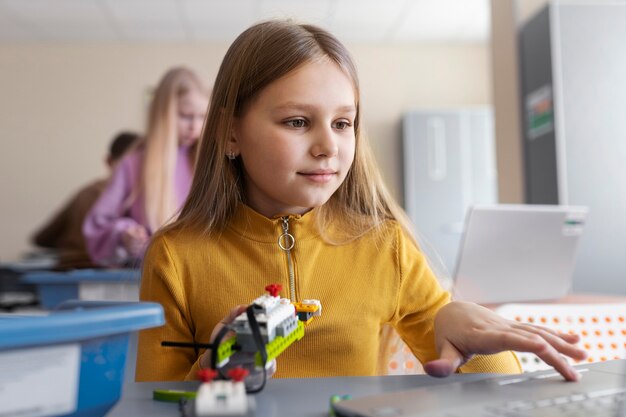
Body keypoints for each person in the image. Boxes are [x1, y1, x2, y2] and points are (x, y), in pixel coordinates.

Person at [136, 21, 587, 382]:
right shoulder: (176, 256)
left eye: (343, 123)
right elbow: (149, 401)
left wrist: (469, 331)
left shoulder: (385, 246)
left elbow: (493, 390)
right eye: (297, 121)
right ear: (230, 131)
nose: (328, 147)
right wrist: (212, 371)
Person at [83, 67, 210, 267]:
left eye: (202, 117)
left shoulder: (209, 163)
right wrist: (125, 234)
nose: (194, 126)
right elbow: (98, 226)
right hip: (154, 274)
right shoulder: (133, 165)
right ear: (163, 114)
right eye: (186, 116)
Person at [31, 131, 139, 270]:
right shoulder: (128, 201)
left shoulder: (84, 192)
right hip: (104, 272)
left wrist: (71, 245)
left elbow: (42, 238)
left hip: (66, 268)